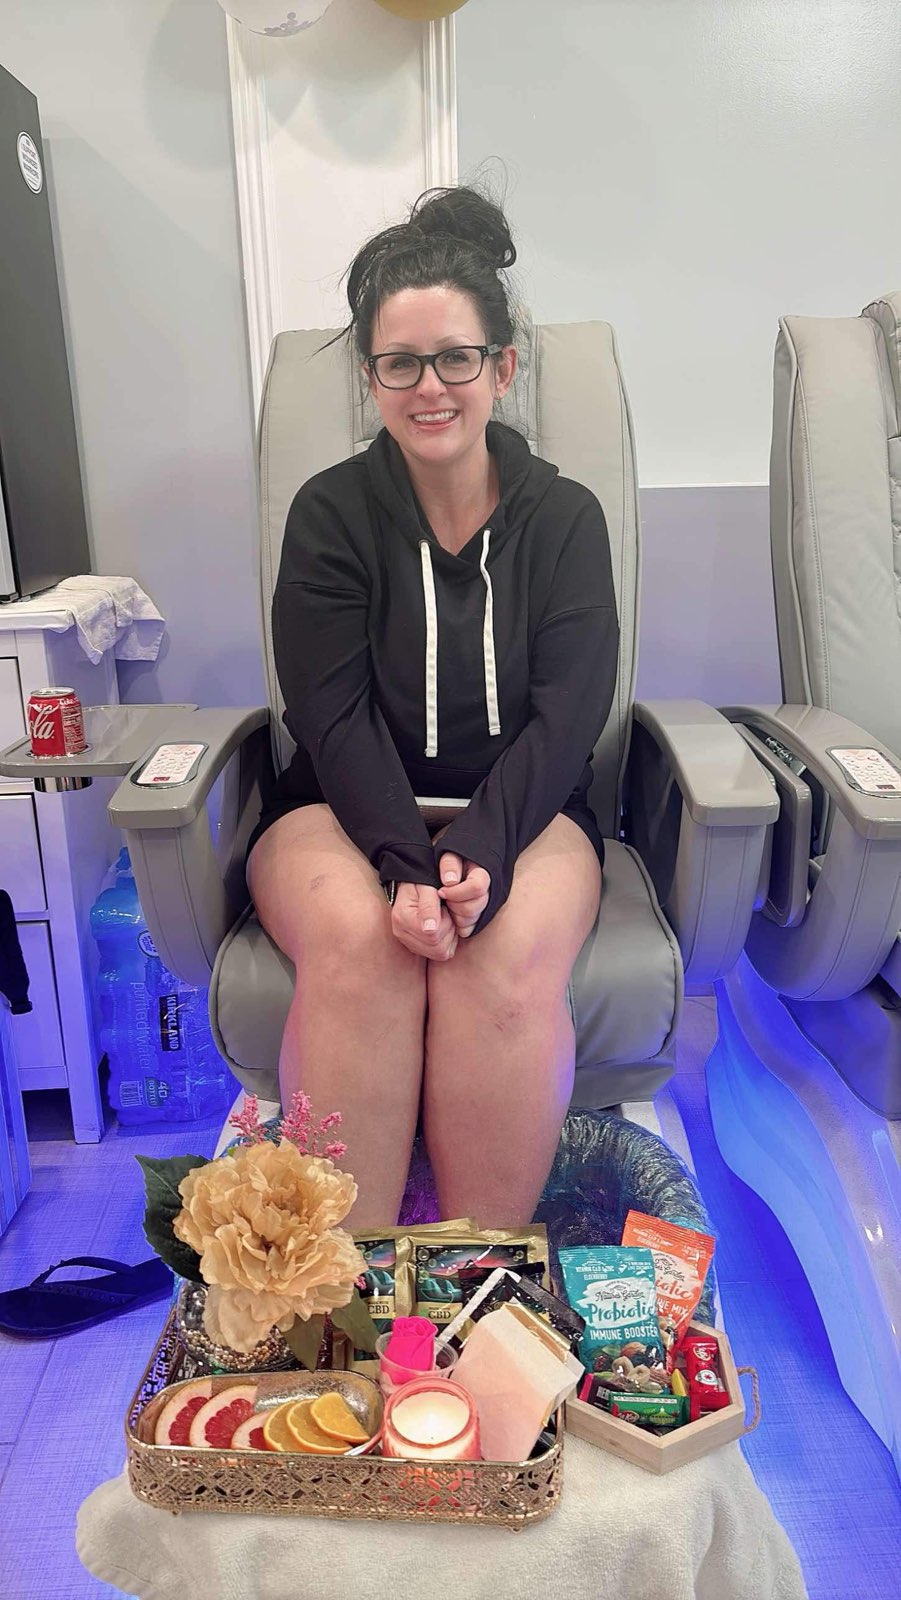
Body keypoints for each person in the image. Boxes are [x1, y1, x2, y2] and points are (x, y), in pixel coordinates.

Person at [246, 186, 619, 1229]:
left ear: (501, 367)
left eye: (455, 358)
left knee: (498, 958)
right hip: (339, 809)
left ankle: (477, 1277)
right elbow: (330, 714)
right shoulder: (330, 513)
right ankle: (347, 1287)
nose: (429, 387)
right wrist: (406, 864)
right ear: (371, 379)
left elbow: (567, 716)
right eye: (399, 364)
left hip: (528, 813)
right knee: (364, 943)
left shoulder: (565, 519)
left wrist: (484, 850)